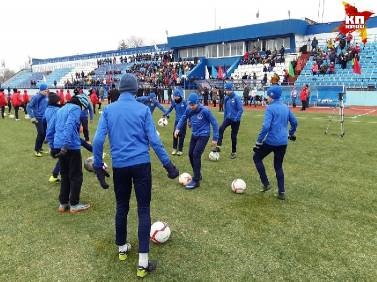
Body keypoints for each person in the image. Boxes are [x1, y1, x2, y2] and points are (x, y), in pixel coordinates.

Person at [92, 74, 179, 278]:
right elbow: (155, 142)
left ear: (120, 89)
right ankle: (142, 263)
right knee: (143, 210)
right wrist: (168, 165)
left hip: (120, 166)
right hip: (141, 165)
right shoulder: (142, 110)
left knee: (122, 207)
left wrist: (97, 164)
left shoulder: (109, 110)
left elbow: (97, 141)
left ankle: (122, 249)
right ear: (136, 89)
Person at [46, 93, 92, 213]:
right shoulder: (76, 108)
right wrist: (66, 144)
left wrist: (52, 145)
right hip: (70, 146)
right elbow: (70, 125)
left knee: (65, 175)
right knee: (76, 176)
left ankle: (63, 203)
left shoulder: (61, 109)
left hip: (59, 145)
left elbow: (50, 128)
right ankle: (74, 204)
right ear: (81, 104)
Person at [252, 85, 298, 200]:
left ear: (271, 96)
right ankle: (281, 192)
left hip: (271, 141)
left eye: (268, 95)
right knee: (278, 166)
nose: (267, 97)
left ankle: (266, 183)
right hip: (283, 142)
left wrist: (258, 142)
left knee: (256, 157)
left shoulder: (270, 108)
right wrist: (291, 133)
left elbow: (265, 126)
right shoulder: (285, 107)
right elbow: (294, 122)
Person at [174, 92, 219, 189]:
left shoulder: (205, 110)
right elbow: (183, 118)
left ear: (197, 103)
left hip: (204, 135)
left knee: (196, 154)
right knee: (190, 154)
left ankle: (196, 180)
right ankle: (197, 173)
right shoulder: (189, 109)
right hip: (194, 134)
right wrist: (177, 128)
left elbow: (214, 123)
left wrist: (215, 138)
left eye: (193, 105)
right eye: (189, 104)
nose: (191, 106)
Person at [214, 82, 244, 159]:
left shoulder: (237, 98)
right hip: (228, 118)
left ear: (231, 90)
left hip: (235, 120)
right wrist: (225, 118)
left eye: (228, 90)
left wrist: (236, 118)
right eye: (226, 90)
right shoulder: (226, 98)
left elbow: (240, 110)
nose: (226, 91)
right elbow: (226, 110)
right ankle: (218, 146)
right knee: (221, 129)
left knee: (233, 136)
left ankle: (234, 152)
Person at [43, 92, 62, 183]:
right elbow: (52, 126)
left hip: (51, 137)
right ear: (56, 101)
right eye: (59, 101)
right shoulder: (57, 111)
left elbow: (44, 122)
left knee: (63, 157)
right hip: (56, 136)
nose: (60, 102)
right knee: (64, 156)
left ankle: (55, 175)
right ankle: (55, 175)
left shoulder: (47, 110)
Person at [164, 88, 188, 156]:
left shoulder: (184, 102)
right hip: (177, 121)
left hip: (183, 121)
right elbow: (170, 108)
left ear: (179, 95)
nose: (174, 97)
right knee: (175, 134)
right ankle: (174, 148)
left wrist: (189, 120)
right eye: (173, 96)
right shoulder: (174, 102)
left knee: (181, 136)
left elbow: (188, 111)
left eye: (175, 96)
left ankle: (180, 150)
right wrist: (165, 113)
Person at [27, 83, 49, 157]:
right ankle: (36, 150)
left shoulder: (46, 97)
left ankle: (40, 148)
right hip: (38, 118)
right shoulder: (36, 97)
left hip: (44, 118)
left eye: (47, 90)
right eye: (45, 91)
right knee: (41, 133)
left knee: (44, 133)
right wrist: (32, 117)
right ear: (41, 90)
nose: (47, 92)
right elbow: (28, 107)